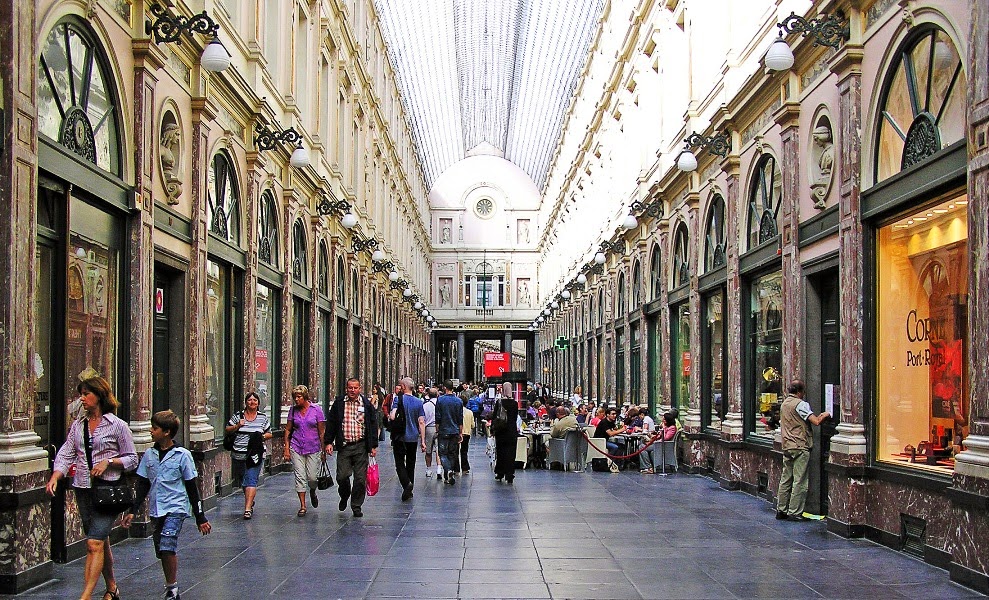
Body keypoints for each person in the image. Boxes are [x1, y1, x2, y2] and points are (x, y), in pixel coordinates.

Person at [47, 376, 138, 600]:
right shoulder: (79, 425)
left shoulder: (117, 426)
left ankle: (85, 596)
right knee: (100, 540)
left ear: (99, 396)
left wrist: (110, 462)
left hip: (109, 491)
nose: (82, 398)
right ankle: (112, 588)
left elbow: (132, 459)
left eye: (87, 394)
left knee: (93, 543)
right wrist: (56, 476)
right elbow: (68, 452)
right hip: (84, 489)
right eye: (81, 394)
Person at [123, 411, 210, 600]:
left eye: (154, 428)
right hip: (157, 508)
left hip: (175, 508)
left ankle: (172, 588)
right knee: (162, 550)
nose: (150, 431)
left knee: (168, 544)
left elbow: (191, 487)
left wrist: (200, 516)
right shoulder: (149, 455)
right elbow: (143, 484)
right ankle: (170, 583)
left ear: (167, 432)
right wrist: (133, 510)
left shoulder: (183, 455)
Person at [776, 379, 831, 521]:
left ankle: (781, 510)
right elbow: (816, 421)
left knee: (786, 478)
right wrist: (826, 414)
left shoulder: (784, 404)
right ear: (800, 392)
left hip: (787, 445)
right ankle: (794, 512)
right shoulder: (801, 404)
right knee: (799, 480)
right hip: (800, 445)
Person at [325, 377, 378, 517]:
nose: (352, 390)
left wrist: (373, 446)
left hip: (360, 445)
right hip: (344, 446)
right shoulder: (339, 403)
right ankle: (344, 494)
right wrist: (328, 442)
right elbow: (331, 423)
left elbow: (372, 424)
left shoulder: (366, 404)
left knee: (360, 479)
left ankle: (356, 505)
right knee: (342, 476)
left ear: (360, 388)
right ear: (346, 389)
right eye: (350, 388)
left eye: (355, 388)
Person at [225, 392, 272, 519]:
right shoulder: (238, 416)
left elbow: (269, 433)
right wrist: (237, 426)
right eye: (250, 400)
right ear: (246, 402)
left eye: (255, 400)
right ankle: (250, 501)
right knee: (243, 481)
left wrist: (260, 436)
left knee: (251, 479)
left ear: (258, 403)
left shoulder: (262, 417)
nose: (252, 402)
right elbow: (227, 429)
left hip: (255, 454)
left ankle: (247, 509)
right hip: (239, 454)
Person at [283, 385, 326, 517]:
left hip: (313, 447)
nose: (296, 399)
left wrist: (324, 449)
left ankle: (312, 490)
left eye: (299, 397)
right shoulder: (293, 410)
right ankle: (302, 505)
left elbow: (321, 431)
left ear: (305, 397)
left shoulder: (316, 410)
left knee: (312, 477)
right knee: (300, 476)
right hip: (297, 446)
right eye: (295, 397)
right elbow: (288, 429)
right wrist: (286, 447)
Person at [435, 380, 464, 484]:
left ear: (444, 388)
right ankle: (448, 476)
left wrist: (437, 429)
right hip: (454, 430)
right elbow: (460, 418)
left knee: (442, 453)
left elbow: (438, 417)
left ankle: (448, 470)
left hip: (443, 430)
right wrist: (460, 432)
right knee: (452, 453)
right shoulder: (459, 401)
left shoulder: (440, 400)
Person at [492, 382, 520, 484]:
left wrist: (493, 429)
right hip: (511, 431)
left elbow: (495, 416)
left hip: (501, 431)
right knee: (511, 453)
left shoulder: (499, 402)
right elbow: (515, 417)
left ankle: (500, 472)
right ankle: (509, 474)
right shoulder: (515, 404)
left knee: (501, 452)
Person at [422, 388, 439, 478]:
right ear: (437, 395)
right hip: (439, 428)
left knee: (428, 450)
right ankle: (439, 468)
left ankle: (428, 469)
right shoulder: (441, 404)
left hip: (428, 428)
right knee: (438, 450)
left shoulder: (425, 405)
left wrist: (422, 435)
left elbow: (422, 420)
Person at [460, 394, 474, 475]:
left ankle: (456, 468)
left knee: (455, 452)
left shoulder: (457, 412)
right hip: (467, 434)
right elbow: (473, 425)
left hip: (458, 433)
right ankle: (465, 468)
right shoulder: (470, 412)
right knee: (464, 451)